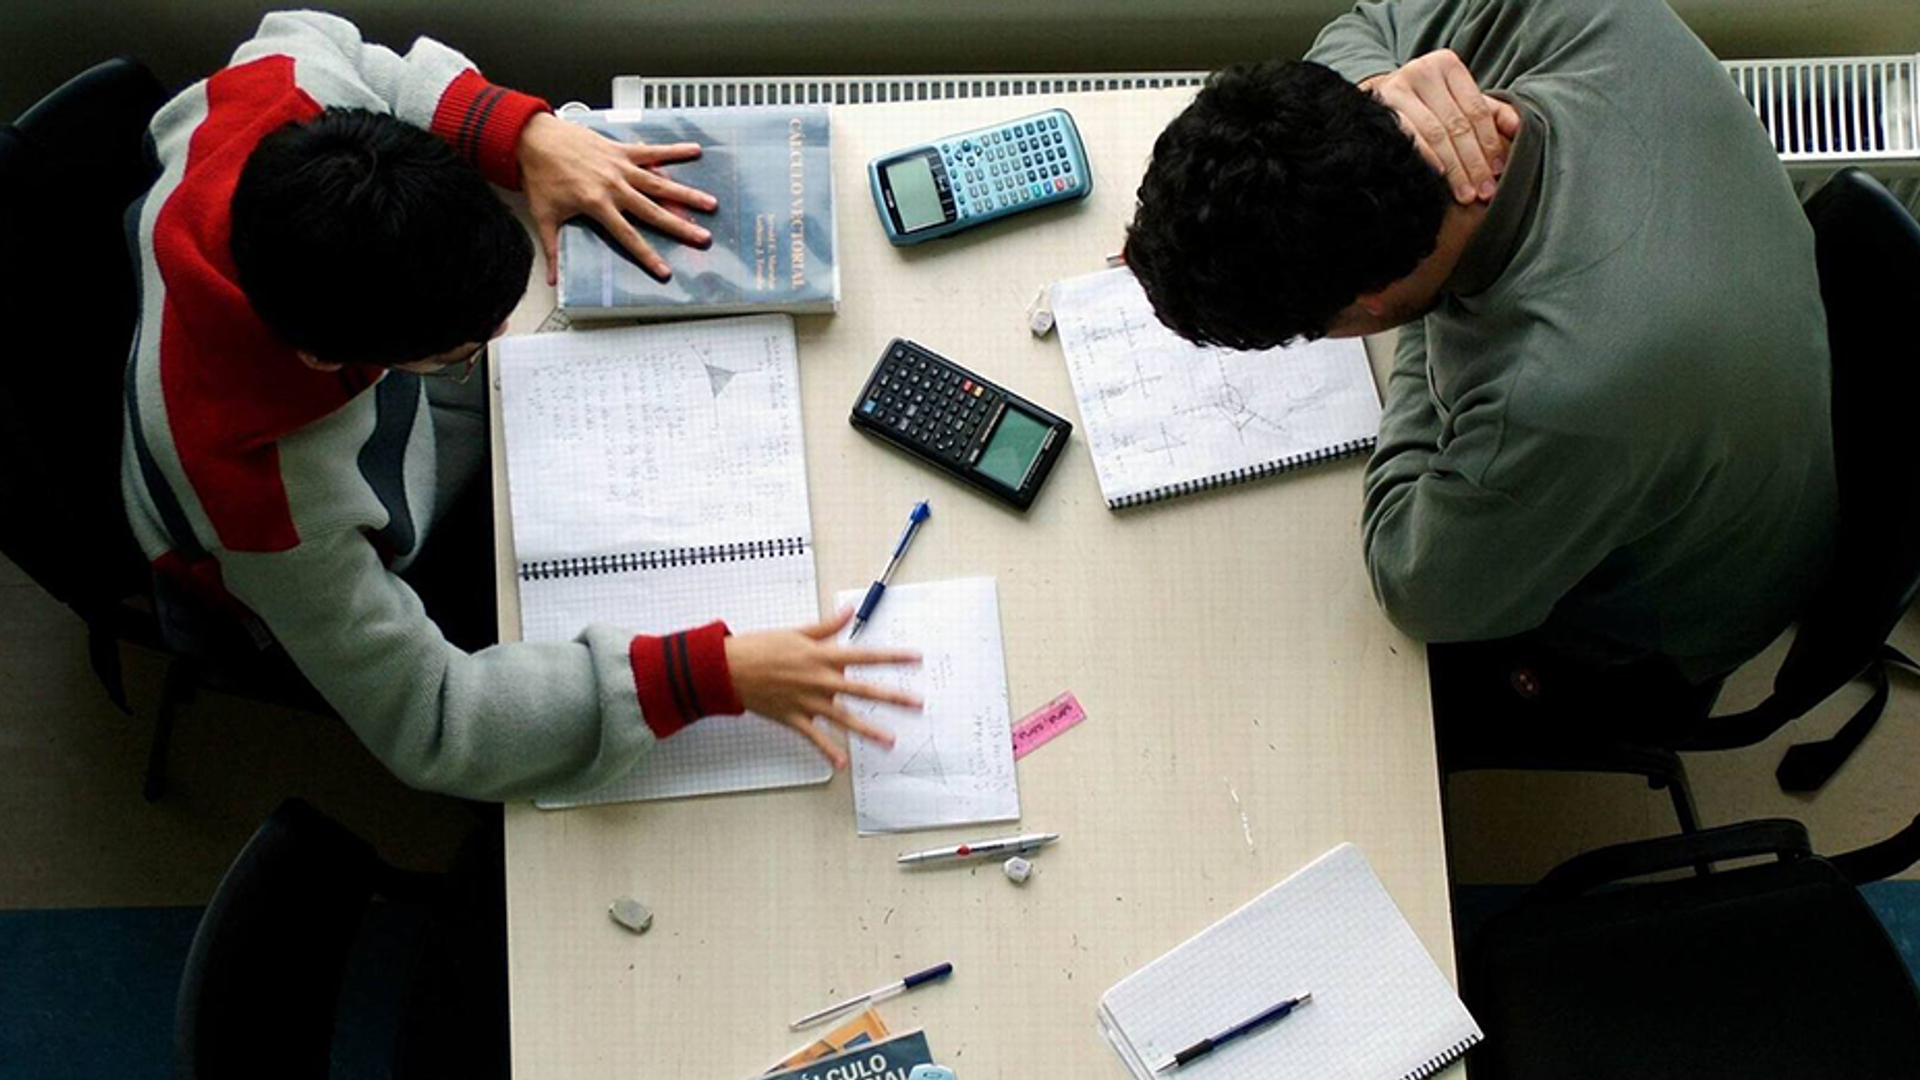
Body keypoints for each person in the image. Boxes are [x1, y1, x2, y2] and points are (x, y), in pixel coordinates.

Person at [121, 11, 915, 800]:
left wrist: (525, 139)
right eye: (464, 346)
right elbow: (434, 721)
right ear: (329, 358)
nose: (502, 332)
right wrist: (706, 674)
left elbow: (319, 32)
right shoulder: (266, 504)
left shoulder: (284, 91)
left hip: (391, 420)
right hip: (307, 549)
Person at [1123, 0, 1835, 713]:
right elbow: (1364, 25)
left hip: (1676, 608)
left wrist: (1421, 332)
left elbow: (1417, 584)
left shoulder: (1556, 397)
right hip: (1739, 397)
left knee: (1356, 691)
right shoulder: (1577, 15)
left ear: (1372, 298)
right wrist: (1376, 88)